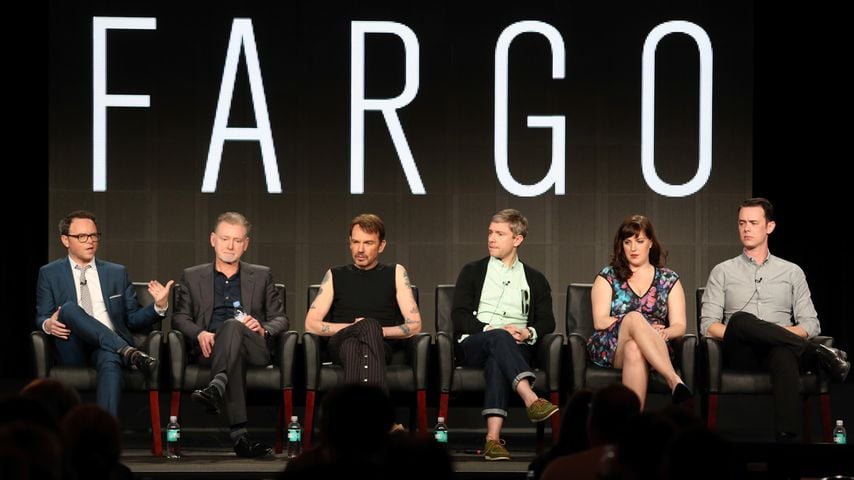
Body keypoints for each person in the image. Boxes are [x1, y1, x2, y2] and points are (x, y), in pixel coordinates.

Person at [700, 197, 850, 442]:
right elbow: (708, 326)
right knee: (740, 319)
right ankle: (817, 353)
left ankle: (787, 442)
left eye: (753, 223)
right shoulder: (722, 271)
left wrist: (774, 335)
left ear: (769, 227)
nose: (746, 229)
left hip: (781, 352)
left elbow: (810, 324)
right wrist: (750, 330)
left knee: (782, 352)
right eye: (741, 223)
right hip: (741, 352)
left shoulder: (791, 272)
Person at [172, 211, 289, 458]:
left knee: (234, 326)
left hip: (254, 347)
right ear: (213, 239)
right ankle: (240, 437)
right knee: (231, 348)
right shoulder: (192, 276)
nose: (230, 245)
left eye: (237, 240)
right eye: (225, 239)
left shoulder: (261, 275)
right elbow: (180, 318)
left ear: (245, 244)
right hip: (210, 349)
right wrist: (200, 332)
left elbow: (281, 318)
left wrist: (263, 327)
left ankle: (217, 386)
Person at [35, 210, 172, 416]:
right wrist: (48, 324)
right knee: (69, 308)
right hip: (73, 346)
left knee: (110, 356)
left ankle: (104, 436)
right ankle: (129, 352)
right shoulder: (49, 273)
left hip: (107, 348)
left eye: (93, 235)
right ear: (65, 240)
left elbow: (133, 319)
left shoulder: (116, 272)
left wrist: (158, 306)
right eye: (82, 236)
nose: (90, 241)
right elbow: (41, 315)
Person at [451, 208, 559, 461]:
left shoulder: (535, 278)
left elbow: (547, 320)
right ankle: (531, 398)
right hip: (475, 342)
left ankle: (492, 440)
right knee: (499, 338)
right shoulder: (472, 271)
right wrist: (491, 329)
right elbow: (459, 316)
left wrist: (527, 332)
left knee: (498, 359)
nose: (491, 239)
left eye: (499, 234)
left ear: (517, 240)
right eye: (490, 232)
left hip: (516, 345)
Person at [304, 213, 422, 393]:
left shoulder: (396, 272)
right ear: (349, 242)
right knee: (358, 335)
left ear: (381, 245)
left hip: (381, 344)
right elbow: (311, 324)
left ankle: (355, 418)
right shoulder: (335, 274)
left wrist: (374, 330)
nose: (360, 249)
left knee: (355, 347)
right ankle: (383, 416)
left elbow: (414, 325)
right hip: (340, 341)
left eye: (368, 243)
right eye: (356, 242)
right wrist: (355, 327)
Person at [587, 214, 692, 409]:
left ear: (650, 243)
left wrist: (664, 332)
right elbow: (600, 321)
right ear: (621, 246)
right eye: (627, 242)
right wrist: (637, 324)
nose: (633, 248)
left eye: (640, 241)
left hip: (654, 346)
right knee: (634, 318)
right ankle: (673, 380)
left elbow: (679, 326)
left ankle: (632, 428)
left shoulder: (669, 279)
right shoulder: (608, 276)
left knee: (634, 348)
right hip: (612, 345)